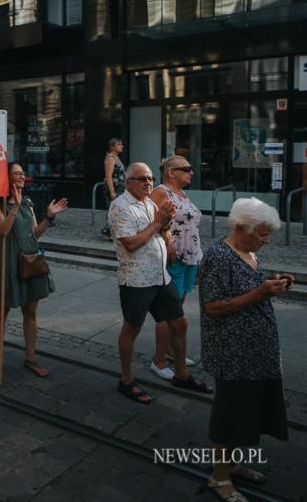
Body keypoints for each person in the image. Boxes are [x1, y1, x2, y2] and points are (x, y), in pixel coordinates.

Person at [198, 198, 292, 502]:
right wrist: (260, 291)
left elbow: (247, 288)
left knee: (246, 413)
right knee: (229, 415)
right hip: (233, 352)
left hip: (255, 349)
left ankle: (232, 465)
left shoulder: (247, 251)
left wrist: (271, 285)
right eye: (262, 233)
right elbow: (212, 307)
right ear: (242, 227)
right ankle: (219, 478)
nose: (267, 240)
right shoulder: (218, 255)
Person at [108, 162, 211, 404]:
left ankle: (182, 374)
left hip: (160, 276)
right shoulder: (120, 207)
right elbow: (131, 244)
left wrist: (165, 223)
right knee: (131, 328)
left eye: (150, 178)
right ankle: (126, 379)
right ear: (128, 182)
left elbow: (161, 231)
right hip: (136, 279)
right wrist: (157, 224)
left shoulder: (150, 202)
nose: (148, 183)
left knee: (179, 322)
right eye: (142, 179)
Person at [0, 163, 68, 378]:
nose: (22, 176)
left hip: (29, 259)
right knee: (1, 312)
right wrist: (14, 207)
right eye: (18, 173)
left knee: (30, 312)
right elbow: (3, 230)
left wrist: (48, 217)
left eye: (23, 173)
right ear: (7, 178)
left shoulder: (28, 202)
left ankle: (31, 359)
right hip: (6, 261)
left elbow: (34, 234)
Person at [150, 155, 202, 380]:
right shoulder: (161, 192)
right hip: (174, 258)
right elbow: (152, 221)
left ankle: (172, 351)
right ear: (172, 172)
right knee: (165, 312)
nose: (191, 172)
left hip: (190, 258)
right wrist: (167, 243)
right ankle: (158, 360)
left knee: (177, 309)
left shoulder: (182, 193)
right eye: (186, 168)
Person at [101, 138, 126, 239]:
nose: (122, 146)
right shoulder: (110, 158)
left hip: (120, 188)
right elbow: (108, 176)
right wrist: (112, 191)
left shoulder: (117, 158)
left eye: (121, 144)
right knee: (113, 209)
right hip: (114, 188)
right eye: (119, 145)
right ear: (112, 147)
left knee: (118, 209)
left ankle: (112, 231)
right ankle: (108, 232)